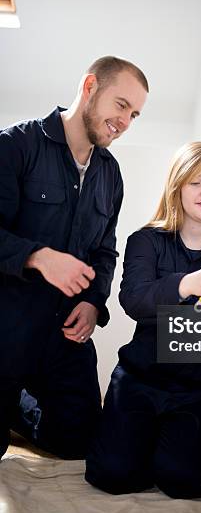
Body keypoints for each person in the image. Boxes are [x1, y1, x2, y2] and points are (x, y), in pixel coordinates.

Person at [0, 56, 148, 460]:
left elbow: (105, 251)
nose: (125, 122)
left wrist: (92, 302)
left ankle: (20, 408)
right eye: (121, 105)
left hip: (65, 332)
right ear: (89, 88)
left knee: (77, 443)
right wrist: (39, 257)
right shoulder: (15, 145)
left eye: (134, 114)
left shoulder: (110, 174)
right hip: (7, 327)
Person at [85, 141, 201, 498]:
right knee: (111, 476)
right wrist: (186, 285)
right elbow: (133, 301)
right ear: (177, 186)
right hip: (139, 378)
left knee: (185, 483)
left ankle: (160, 449)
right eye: (196, 182)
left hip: (195, 390)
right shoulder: (146, 240)